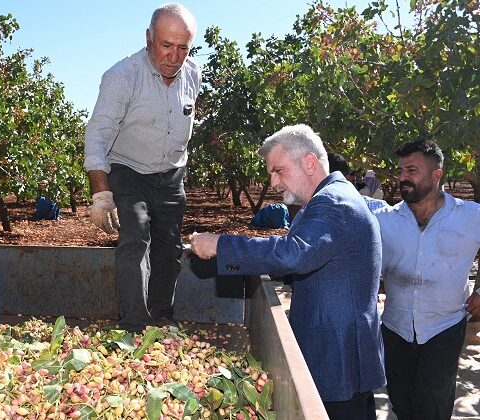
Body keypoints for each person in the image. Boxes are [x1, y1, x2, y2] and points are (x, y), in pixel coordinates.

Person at [191, 124, 385, 420]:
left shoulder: (332, 203)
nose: (272, 182)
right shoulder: (330, 198)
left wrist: (222, 245)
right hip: (339, 348)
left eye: (278, 170)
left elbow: (294, 253)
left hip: (336, 355)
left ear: (309, 162)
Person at [84, 3, 201, 332]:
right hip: (129, 171)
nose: (174, 57)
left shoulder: (193, 73)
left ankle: (162, 318)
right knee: (134, 235)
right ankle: (134, 327)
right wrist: (101, 194)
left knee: (170, 247)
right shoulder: (122, 76)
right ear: (149, 38)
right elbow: (97, 133)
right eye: (166, 45)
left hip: (172, 175)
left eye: (183, 48)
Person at [374, 139, 480, 420]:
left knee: (432, 403)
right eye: (400, 171)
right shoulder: (386, 219)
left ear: (437, 175)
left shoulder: (470, 216)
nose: (403, 178)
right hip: (396, 328)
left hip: (444, 326)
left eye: (412, 170)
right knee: (401, 401)